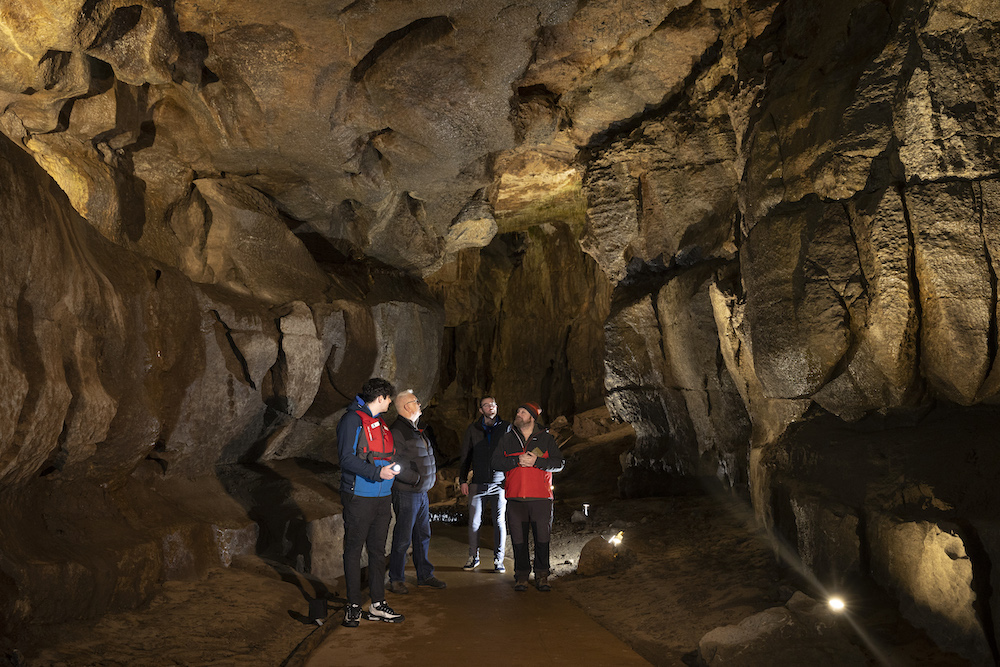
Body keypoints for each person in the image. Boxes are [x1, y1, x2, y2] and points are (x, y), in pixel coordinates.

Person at [336, 377, 404, 627]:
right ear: (381, 397)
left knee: (377, 551)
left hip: (382, 497)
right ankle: (353, 605)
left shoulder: (380, 422)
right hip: (359, 496)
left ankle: (377, 603)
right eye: (389, 398)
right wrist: (377, 473)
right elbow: (345, 458)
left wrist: (389, 470)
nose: (390, 403)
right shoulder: (352, 420)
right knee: (354, 550)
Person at [491, 402, 564, 592]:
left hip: (541, 498)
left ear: (532, 417)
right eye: (518, 411)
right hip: (515, 498)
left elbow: (559, 463)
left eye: (523, 412)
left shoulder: (546, 439)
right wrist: (516, 460)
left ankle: (542, 575)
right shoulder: (507, 438)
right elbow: (495, 462)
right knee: (518, 540)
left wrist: (536, 461)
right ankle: (521, 576)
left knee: (542, 539)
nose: (518, 414)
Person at [387, 390, 447, 593]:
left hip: (420, 493)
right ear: (406, 406)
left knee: (423, 535)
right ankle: (396, 578)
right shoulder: (398, 431)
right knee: (403, 537)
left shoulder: (414, 429)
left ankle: (424, 575)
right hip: (407, 492)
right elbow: (393, 461)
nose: (419, 404)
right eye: (416, 401)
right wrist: (416, 479)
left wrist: (427, 480)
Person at [459, 396, 510, 572]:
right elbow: (466, 456)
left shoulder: (506, 427)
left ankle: (499, 560)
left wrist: (509, 479)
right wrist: (463, 480)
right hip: (478, 483)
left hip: (499, 483)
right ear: (481, 410)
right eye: (487, 405)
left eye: (493, 404)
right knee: (474, 522)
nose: (491, 407)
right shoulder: (473, 429)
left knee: (499, 522)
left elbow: (512, 454)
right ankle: (473, 557)